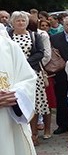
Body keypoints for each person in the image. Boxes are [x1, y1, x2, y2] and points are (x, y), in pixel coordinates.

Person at [8, 11, 49, 146]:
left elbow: (40, 53)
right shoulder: (8, 37)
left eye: (23, 20)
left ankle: (34, 134)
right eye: (18, 21)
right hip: (14, 75)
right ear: (12, 23)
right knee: (16, 103)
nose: (21, 23)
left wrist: (25, 63)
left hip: (32, 74)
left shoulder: (34, 35)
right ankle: (18, 134)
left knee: (34, 104)